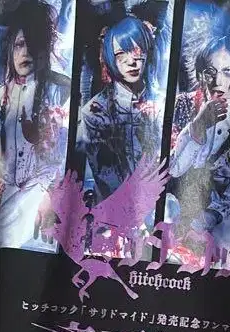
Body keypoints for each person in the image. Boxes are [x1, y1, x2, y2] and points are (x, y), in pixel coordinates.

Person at [168, 8, 230, 252]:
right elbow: (173, 169)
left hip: (222, 221)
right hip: (176, 210)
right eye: (210, 72)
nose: (217, 81)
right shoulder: (184, 104)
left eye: (226, 72)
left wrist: (211, 217)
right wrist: (199, 125)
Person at [0, 0, 71, 251]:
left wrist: (51, 193)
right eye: (20, 45)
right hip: (2, 201)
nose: (26, 53)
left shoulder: (61, 92)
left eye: (33, 45)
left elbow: (65, 153)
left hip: (39, 196)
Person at [76, 13, 165, 202]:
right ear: (110, 58)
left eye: (136, 51)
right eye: (120, 55)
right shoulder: (94, 112)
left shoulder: (161, 103)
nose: (131, 61)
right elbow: (107, 179)